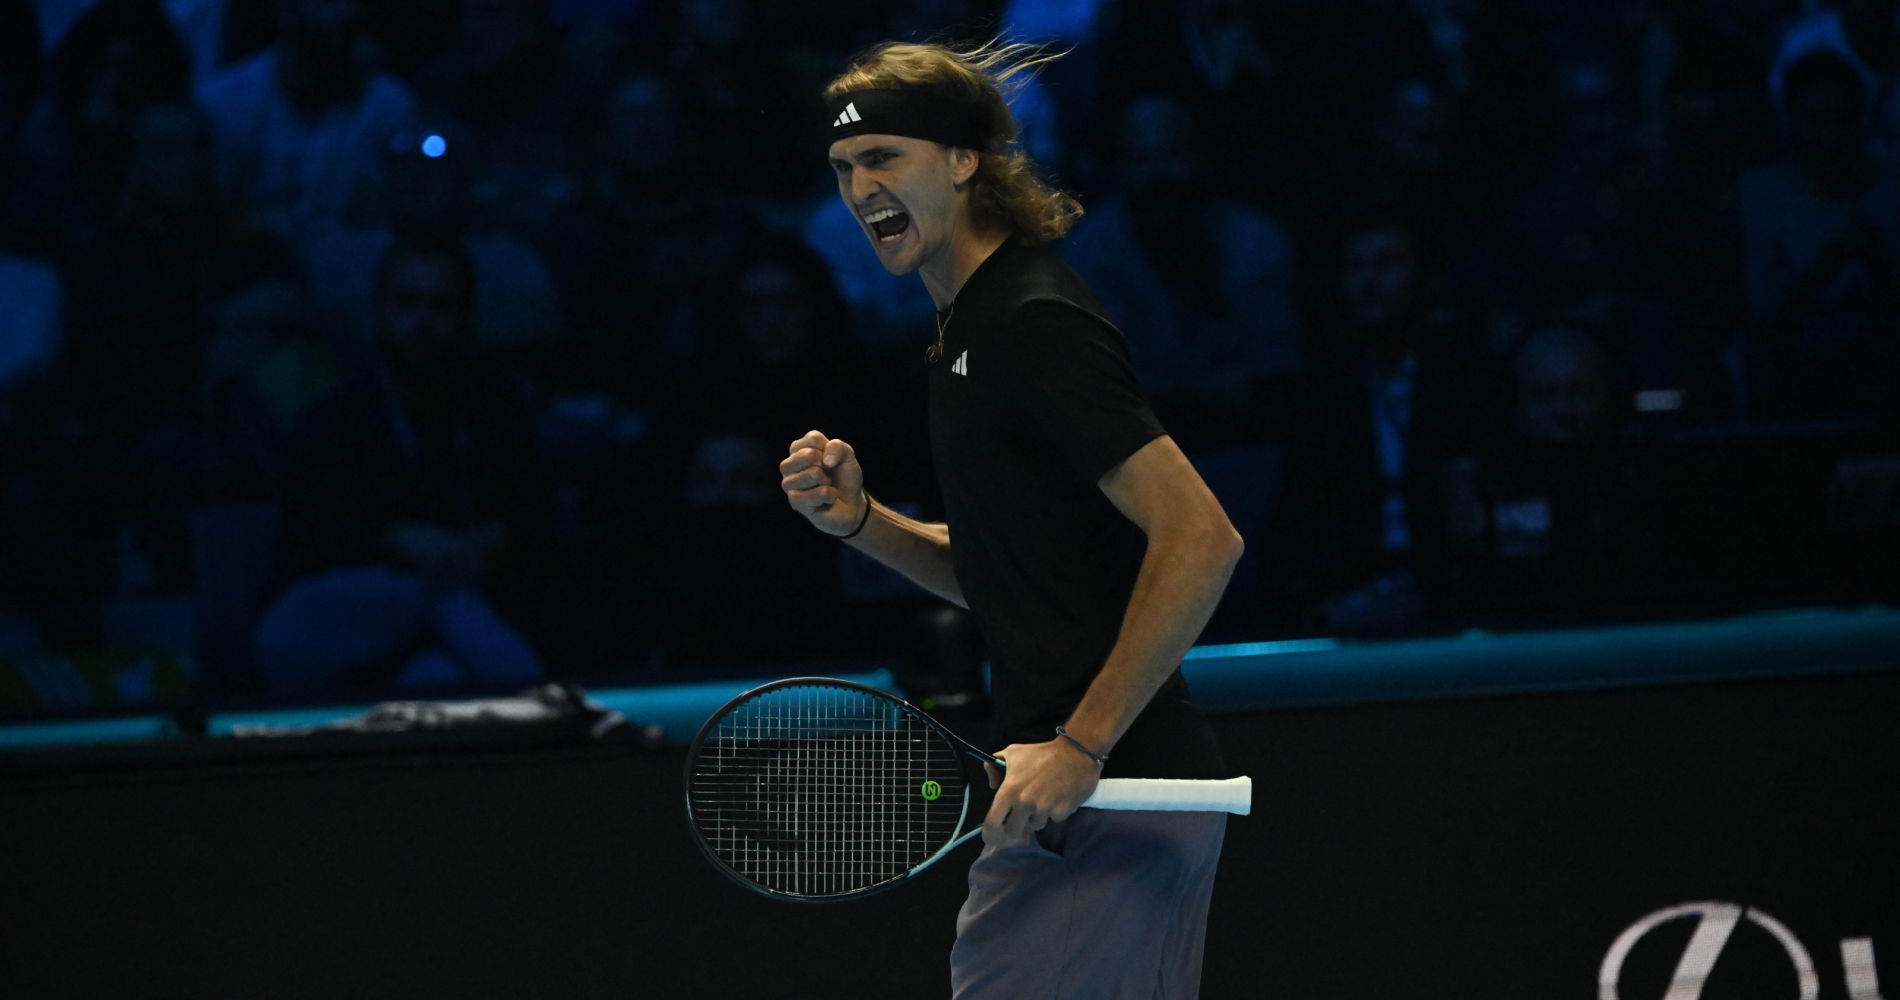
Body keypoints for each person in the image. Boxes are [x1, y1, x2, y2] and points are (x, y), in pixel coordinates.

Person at [777, 40, 1243, 999]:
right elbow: (1012, 567)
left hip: (1109, 796)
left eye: (883, 158)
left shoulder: (1033, 321)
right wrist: (862, 523)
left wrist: (1081, 745)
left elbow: (1202, 537)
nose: (860, 188)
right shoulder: (967, 331)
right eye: (844, 170)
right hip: (1073, 797)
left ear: (963, 160)